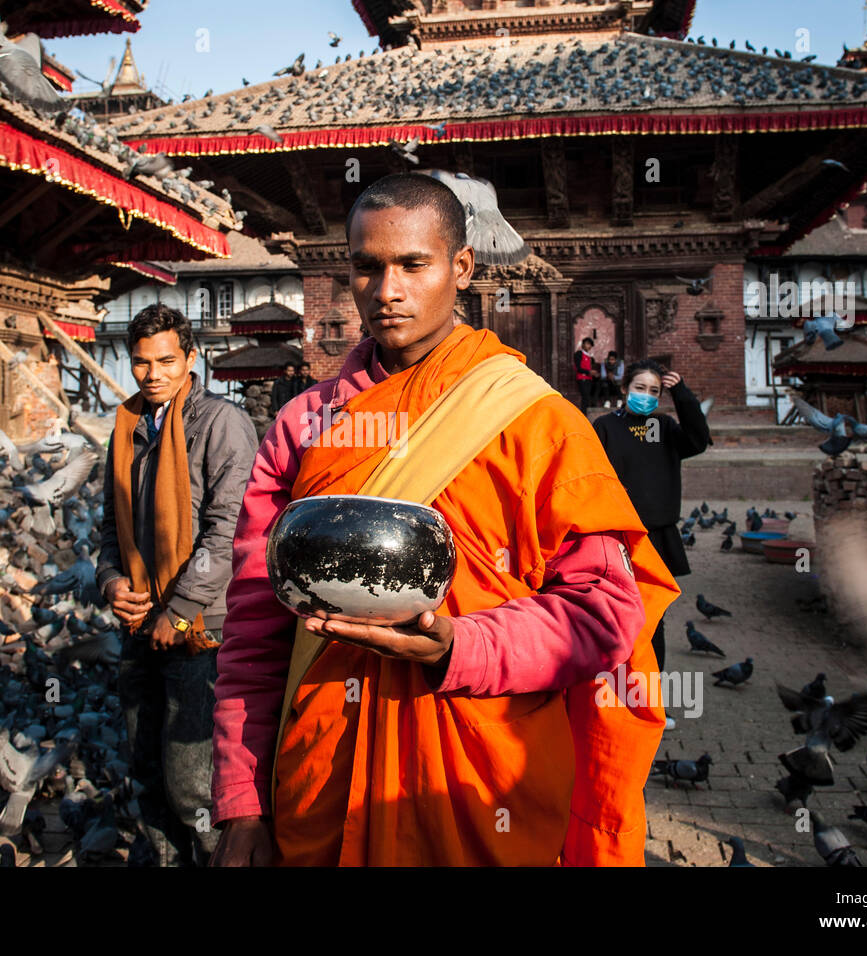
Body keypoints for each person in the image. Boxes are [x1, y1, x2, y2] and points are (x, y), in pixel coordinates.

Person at [209, 172, 679, 867]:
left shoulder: (538, 423)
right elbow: (254, 627)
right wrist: (242, 801)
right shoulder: (304, 426)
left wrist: (459, 646)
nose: (387, 290)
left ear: (461, 267)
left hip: (481, 770)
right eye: (367, 267)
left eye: (412, 265)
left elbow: (605, 612)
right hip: (322, 775)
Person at [97, 303, 258, 867]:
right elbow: (108, 532)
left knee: (194, 783)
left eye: (166, 360)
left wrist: (182, 608)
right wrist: (111, 582)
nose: (153, 374)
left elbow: (230, 527)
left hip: (202, 630)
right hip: (140, 623)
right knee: (145, 772)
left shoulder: (219, 423)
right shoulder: (126, 428)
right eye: (141, 363)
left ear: (191, 359)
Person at [593, 359, 711, 684]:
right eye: (639, 388)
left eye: (653, 391)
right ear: (624, 389)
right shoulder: (605, 427)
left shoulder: (665, 427)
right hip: (614, 538)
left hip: (656, 539)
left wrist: (682, 395)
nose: (646, 395)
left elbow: (698, 440)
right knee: (613, 618)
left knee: (651, 620)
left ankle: (650, 697)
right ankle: (610, 696)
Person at [572, 337, 595, 411]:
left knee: (588, 396)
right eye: (587, 344)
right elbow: (578, 368)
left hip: (589, 379)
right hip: (582, 378)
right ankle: (584, 413)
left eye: (590, 345)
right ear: (583, 344)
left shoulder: (589, 357)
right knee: (585, 396)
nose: (589, 346)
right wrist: (589, 372)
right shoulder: (579, 354)